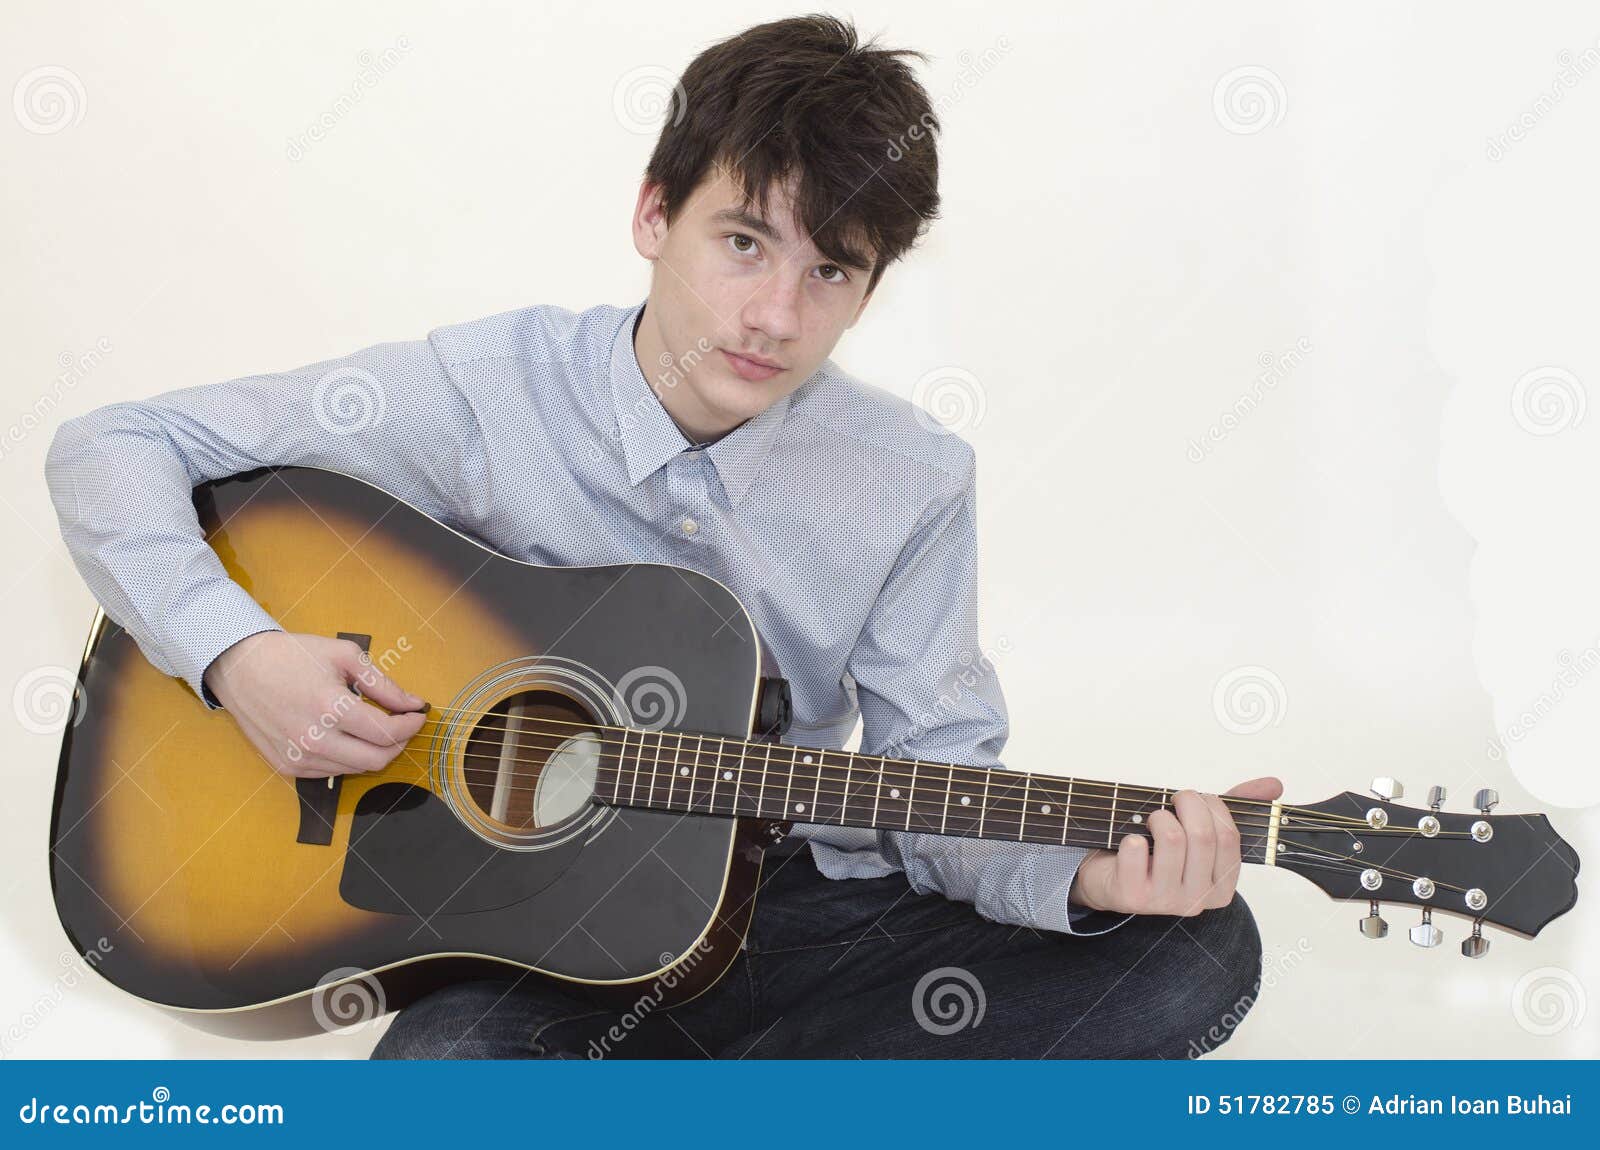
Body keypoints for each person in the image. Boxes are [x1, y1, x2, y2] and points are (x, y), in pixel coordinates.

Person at [45, 14, 1277, 1059]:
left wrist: (1080, 876)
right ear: (653, 214)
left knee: (1194, 951)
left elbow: (934, 784)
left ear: (870, 287)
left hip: (791, 912)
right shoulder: (488, 388)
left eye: (830, 273)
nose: (774, 314)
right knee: (445, 1070)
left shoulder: (915, 482)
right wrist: (237, 652)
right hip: (533, 937)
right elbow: (114, 445)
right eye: (742, 242)